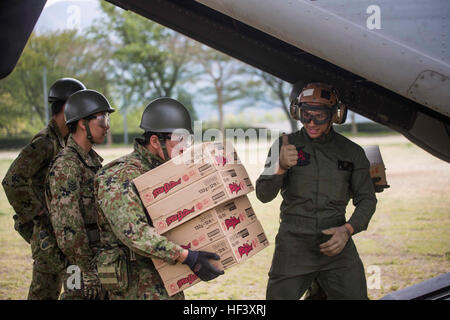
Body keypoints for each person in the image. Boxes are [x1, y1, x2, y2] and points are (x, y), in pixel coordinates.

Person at [256, 82, 377, 300]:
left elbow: (367, 199)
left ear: (334, 116)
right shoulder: (284, 146)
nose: (311, 122)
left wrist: (348, 230)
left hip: (336, 243)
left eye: (319, 116)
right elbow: (263, 195)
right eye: (305, 115)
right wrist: (280, 167)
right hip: (294, 244)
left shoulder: (352, 152)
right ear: (296, 112)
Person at [94, 97, 224, 300]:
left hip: (164, 280)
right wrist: (187, 256)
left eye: (187, 140)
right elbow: (134, 233)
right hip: (133, 287)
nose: (185, 147)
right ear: (155, 141)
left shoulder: (167, 170)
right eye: (179, 140)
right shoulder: (119, 176)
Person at [2, 78, 86, 300]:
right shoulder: (45, 142)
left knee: (73, 284)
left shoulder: (67, 140)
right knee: (45, 291)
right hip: (46, 233)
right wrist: (37, 213)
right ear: (67, 107)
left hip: (61, 230)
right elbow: (12, 180)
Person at [45, 89, 115, 299]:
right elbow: (68, 227)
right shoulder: (67, 165)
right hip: (79, 263)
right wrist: (85, 269)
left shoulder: (90, 161)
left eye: (107, 118)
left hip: (97, 257)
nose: (107, 126)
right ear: (83, 123)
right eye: (102, 119)